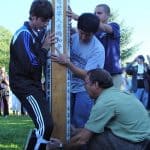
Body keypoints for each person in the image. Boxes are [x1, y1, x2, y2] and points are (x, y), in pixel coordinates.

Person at [64, 68, 150, 150]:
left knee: (94, 138)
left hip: (138, 145)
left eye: (86, 83)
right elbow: (97, 128)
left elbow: (82, 140)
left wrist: (60, 147)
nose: (84, 87)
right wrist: (76, 131)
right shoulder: (117, 93)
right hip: (143, 141)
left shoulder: (105, 101)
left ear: (96, 84)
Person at [9, 0, 55, 149]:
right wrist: (45, 48)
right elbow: (31, 65)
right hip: (24, 85)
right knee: (45, 126)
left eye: (48, 21)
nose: (45, 24)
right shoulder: (23, 34)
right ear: (33, 17)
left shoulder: (36, 33)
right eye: (43, 20)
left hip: (32, 84)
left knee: (44, 125)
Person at [51, 13, 105, 128]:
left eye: (88, 35)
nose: (83, 37)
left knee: (80, 124)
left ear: (94, 33)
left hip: (84, 90)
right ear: (78, 28)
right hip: (65, 86)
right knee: (62, 123)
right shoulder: (70, 37)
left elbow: (89, 76)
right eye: (81, 33)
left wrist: (68, 63)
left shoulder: (98, 49)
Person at [68, 4, 122, 89]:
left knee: (113, 100)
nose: (96, 15)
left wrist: (80, 18)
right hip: (98, 75)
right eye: (95, 13)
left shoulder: (114, 26)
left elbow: (104, 28)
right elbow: (77, 31)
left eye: (99, 13)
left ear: (108, 15)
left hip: (113, 74)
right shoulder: (92, 31)